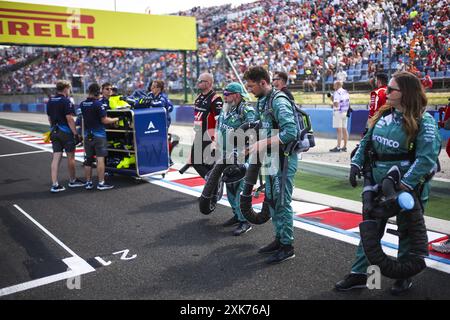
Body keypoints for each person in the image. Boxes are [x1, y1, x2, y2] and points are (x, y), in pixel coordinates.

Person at [335, 71, 441, 295]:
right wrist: (356, 163)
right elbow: (366, 141)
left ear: (406, 93)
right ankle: (361, 275)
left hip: (406, 188)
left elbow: (426, 159)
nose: (387, 92)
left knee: (406, 233)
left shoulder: (424, 121)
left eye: (392, 89)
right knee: (371, 232)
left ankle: (404, 276)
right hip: (376, 184)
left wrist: (404, 184)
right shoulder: (385, 113)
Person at [243, 66, 298, 264]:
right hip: (271, 158)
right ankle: (279, 238)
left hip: (284, 159)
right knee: (273, 200)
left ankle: (287, 246)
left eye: (251, 86)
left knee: (282, 201)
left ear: (262, 83)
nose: (249, 90)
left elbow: (291, 132)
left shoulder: (279, 100)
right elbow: (265, 127)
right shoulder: (262, 101)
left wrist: (261, 143)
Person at [216, 82, 256, 236]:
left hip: (242, 156)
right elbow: (221, 127)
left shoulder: (247, 110)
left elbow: (253, 134)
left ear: (237, 95)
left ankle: (245, 221)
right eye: (224, 94)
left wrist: (244, 154)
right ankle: (237, 215)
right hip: (226, 155)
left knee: (239, 189)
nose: (224, 97)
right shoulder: (226, 108)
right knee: (230, 186)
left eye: (227, 94)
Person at [79, 83, 120, 191]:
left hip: (87, 135)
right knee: (100, 159)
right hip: (99, 135)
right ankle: (101, 183)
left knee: (88, 160)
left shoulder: (83, 104)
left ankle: (88, 183)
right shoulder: (98, 104)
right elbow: (104, 120)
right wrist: (115, 119)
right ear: (98, 92)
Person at [46, 80, 85, 193]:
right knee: (70, 157)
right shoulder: (66, 101)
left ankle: (55, 184)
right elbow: (69, 119)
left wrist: (53, 129)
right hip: (66, 132)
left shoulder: (50, 100)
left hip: (54, 131)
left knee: (56, 158)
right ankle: (72, 180)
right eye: (69, 89)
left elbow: (49, 118)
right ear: (65, 89)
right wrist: (75, 134)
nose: (69, 91)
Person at [189, 73, 223, 178]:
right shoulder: (199, 97)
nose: (198, 83)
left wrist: (216, 139)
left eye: (201, 81)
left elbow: (220, 120)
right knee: (202, 163)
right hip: (199, 134)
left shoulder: (215, 98)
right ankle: (214, 184)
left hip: (209, 135)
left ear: (208, 83)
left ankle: (212, 183)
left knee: (197, 162)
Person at [329, 80, 350, 152]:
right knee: (344, 129)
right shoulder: (346, 92)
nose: (333, 86)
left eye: (334, 85)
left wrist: (332, 102)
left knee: (339, 130)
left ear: (337, 85)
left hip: (338, 112)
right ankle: (344, 146)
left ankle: (338, 147)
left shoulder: (337, 92)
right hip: (345, 112)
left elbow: (336, 104)